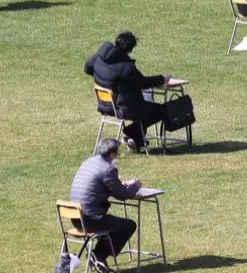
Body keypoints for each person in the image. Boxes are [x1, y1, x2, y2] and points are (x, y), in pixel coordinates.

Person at [83, 31, 172, 152]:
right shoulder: (126, 67)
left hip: (105, 104)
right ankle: (133, 136)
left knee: (142, 107)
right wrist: (162, 79)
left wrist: (104, 79)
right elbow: (142, 82)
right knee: (162, 110)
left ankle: (135, 140)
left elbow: (87, 69)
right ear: (130, 49)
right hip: (123, 107)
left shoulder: (100, 55)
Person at [68, 138, 141, 271]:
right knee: (128, 225)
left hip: (76, 218)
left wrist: (119, 185)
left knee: (115, 224)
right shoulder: (108, 169)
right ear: (112, 153)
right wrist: (135, 186)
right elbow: (122, 195)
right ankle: (98, 255)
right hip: (91, 219)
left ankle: (97, 256)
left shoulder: (87, 162)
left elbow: (98, 186)